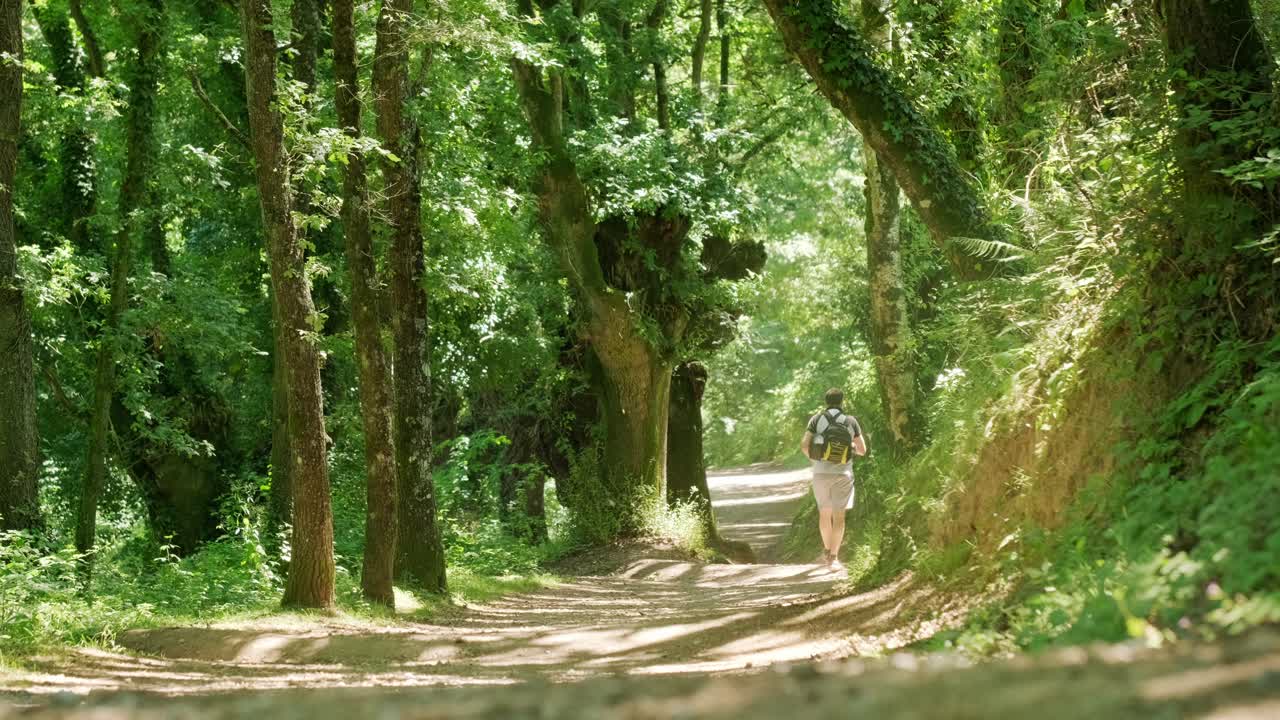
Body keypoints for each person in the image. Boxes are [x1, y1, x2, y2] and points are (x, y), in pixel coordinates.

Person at [800, 388, 867, 569]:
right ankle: (834, 557)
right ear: (842, 401)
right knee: (839, 517)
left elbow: (804, 445)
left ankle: (827, 550)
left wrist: (816, 460)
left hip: (820, 473)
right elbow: (862, 450)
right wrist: (849, 447)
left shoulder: (816, 419)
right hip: (843, 473)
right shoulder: (850, 421)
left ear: (826, 401)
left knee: (824, 514)